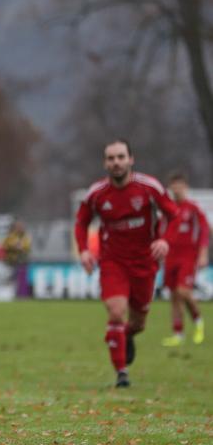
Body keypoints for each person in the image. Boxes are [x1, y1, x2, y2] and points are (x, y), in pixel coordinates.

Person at [74, 139, 179, 388]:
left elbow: (173, 215)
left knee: (138, 323)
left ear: (131, 159)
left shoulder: (149, 187)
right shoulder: (97, 194)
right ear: (105, 163)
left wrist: (165, 240)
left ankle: (125, 335)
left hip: (144, 263)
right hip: (113, 262)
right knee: (116, 311)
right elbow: (81, 222)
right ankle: (122, 373)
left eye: (121, 157)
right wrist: (84, 251)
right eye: (111, 158)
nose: (116, 163)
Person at [161, 173, 208, 347]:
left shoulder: (193, 208)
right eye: (174, 186)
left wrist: (203, 254)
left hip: (188, 256)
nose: (177, 189)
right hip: (170, 257)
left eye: (180, 186)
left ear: (186, 188)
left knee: (183, 291)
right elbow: (161, 231)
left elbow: (204, 230)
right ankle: (178, 333)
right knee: (174, 296)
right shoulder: (168, 209)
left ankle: (198, 321)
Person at [3, 219, 32, 297]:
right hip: (11, 261)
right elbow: (5, 245)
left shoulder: (26, 237)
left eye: (21, 227)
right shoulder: (11, 236)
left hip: (22, 261)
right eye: (18, 226)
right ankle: (10, 294)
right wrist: (14, 246)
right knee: (12, 277)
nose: (20, 228)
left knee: (21, 279)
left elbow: (27, 247)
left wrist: (20, 246)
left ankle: (21, 294)